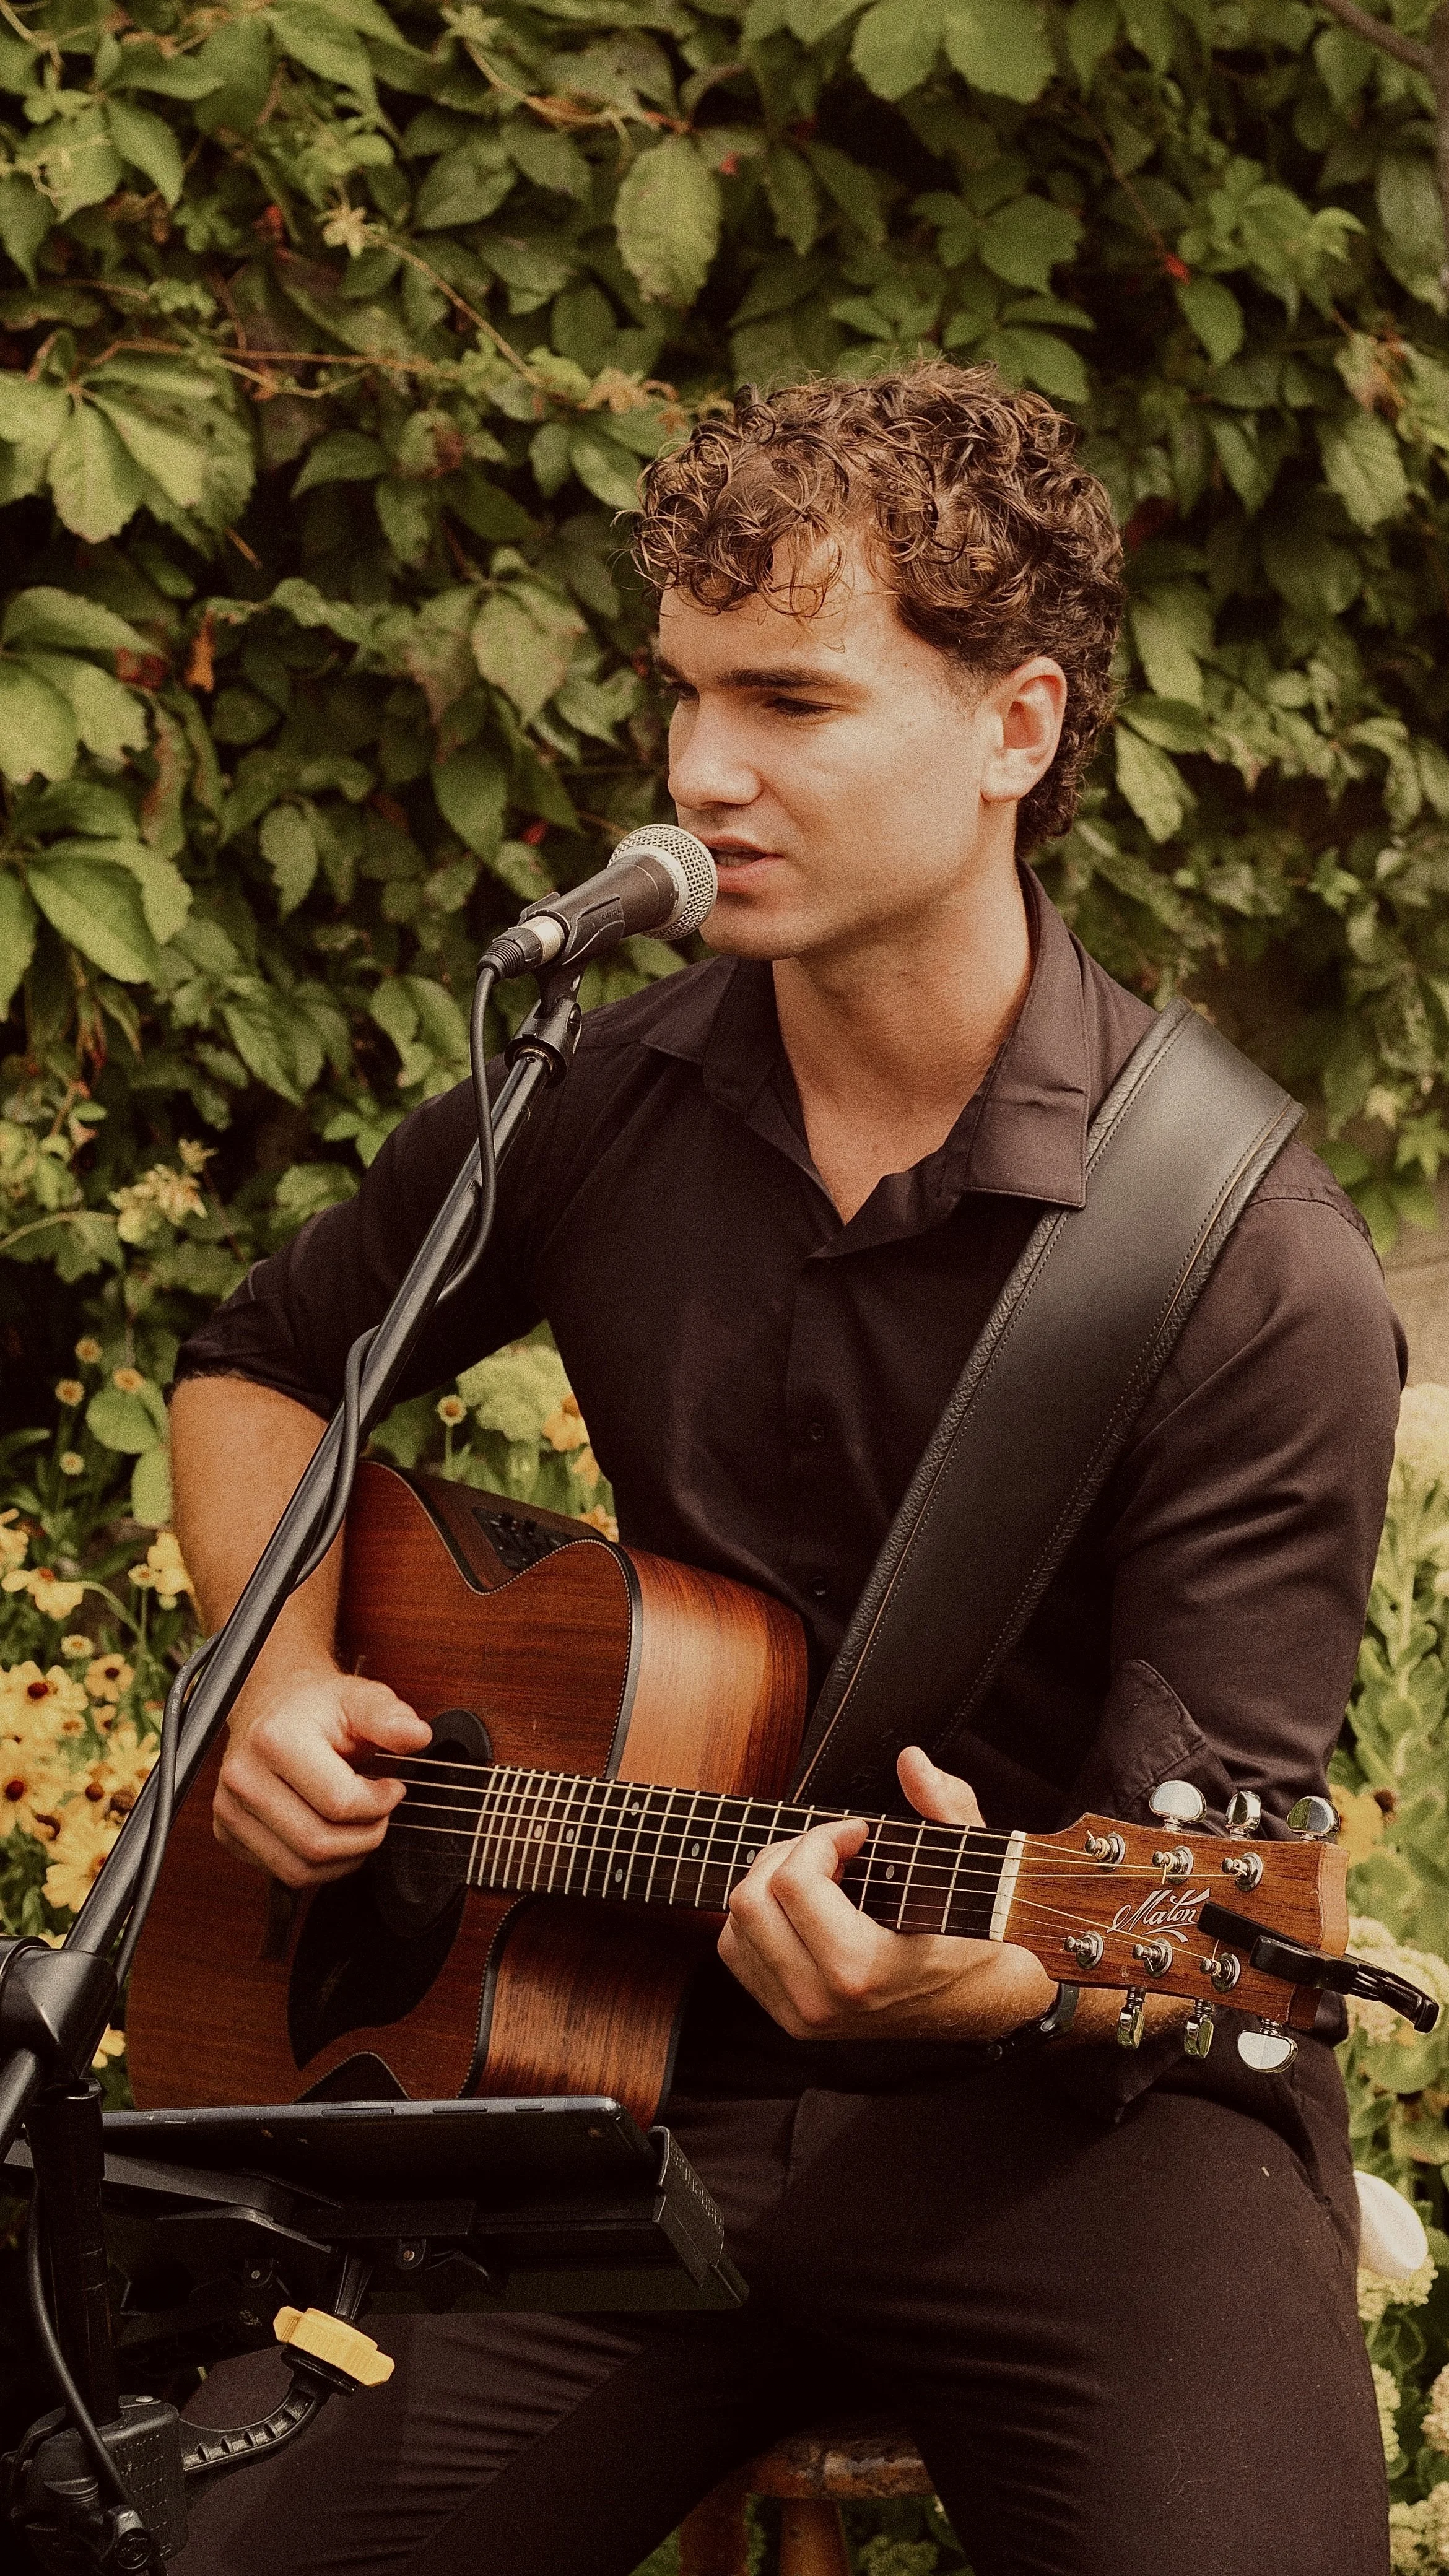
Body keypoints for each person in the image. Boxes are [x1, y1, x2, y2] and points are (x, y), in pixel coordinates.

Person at [167, 362, 1403, 2576]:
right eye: (683, 694)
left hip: (1090, 2123)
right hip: (626, 2080)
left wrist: (1002, 1969)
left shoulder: (1247, 1268)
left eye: (791, 703)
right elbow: (258, 1367)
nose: (697, 772)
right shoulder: (596, 1095)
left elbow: (1206, 1896)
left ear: (1016, 726)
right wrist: (267, 1680)